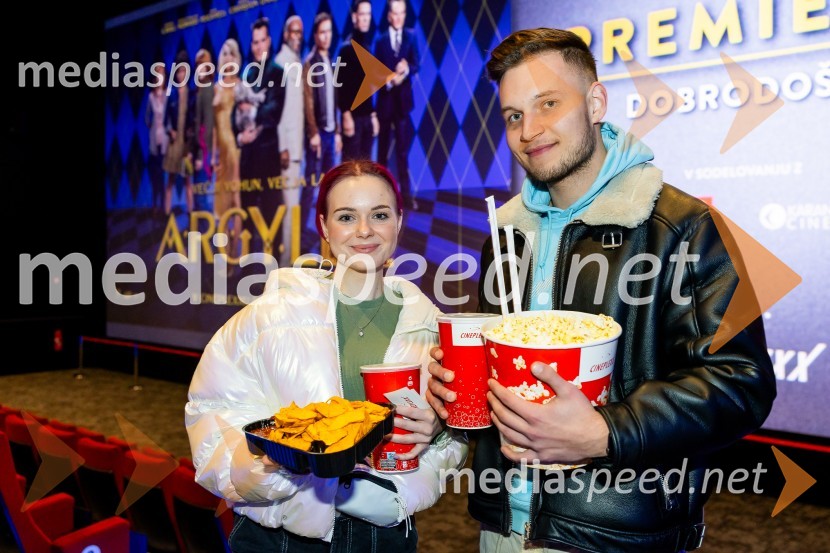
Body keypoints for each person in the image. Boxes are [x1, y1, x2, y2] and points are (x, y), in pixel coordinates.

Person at [426, 28, 777, 553]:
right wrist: (453, 393)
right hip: (500, 529)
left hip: (615, 536)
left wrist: (606, 432)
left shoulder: (681, 226)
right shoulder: (505, 236)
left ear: (595, 102)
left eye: (548, 104)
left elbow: (741, 383)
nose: (530, 130)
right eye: (514, 115)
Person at [185, 160, 468, 552]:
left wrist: (434, 435)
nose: (365, 230)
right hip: (280, 535)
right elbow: (211, 414)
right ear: (323, 227)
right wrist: (276, 464)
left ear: (399, 223)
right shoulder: (269, 317)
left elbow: (460, 431)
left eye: (380, 215)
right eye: (347, 216)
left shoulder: (434, 330)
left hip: (383, 535)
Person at [234, 17, 285, 256]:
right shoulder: (247, 73)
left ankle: (274, 270)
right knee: (246, 217)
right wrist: (240, 135)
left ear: (269, 41)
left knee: (270, 215)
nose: (258, 46)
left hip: (268, 159)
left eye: (262, 40)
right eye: (254, 42)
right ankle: (246, 270)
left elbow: (273, 110)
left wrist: (251, 110)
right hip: (247, 158)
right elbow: (236, 112)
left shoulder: (278, 72)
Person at [301, 12, 342, 256]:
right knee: (310, 187)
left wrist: (336, 131)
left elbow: (334, 101)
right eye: (322, 32)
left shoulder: (331, 61)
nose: (326, 36)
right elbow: (308, 101)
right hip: (317, 136)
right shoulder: (310, 62)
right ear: (316, 35)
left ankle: (325, 237)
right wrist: (313, 132)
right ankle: (302, 234)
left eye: (329, 31)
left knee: (329, 188)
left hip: (330, 133)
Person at [375, 0, 419, 210]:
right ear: (389, 16)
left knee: (402, 153)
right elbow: (374, 72)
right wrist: (389, 78)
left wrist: (406, 70)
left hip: (402, 105)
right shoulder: (380, 41)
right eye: (395, 13)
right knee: (382, 153)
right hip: (385, 103)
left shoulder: (411, 36)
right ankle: (380, 198)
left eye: (402, 13)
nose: (399, 17)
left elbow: (416, 64)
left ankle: (407, 197)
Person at [276, 15, 305, 268]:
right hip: (288, 150)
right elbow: (277, 111)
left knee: (291, 211)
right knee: (288, 211)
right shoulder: (281, 62)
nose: (297, 35)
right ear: (286, 34)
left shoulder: (296, 61)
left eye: (300, 32)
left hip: (298, 149)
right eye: (293, 31)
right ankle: (286, 266)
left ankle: (289, 263)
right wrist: (283, 146)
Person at [212, 39, 244, 260]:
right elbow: (214, 126)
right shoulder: (216, 87)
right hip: (221, 151)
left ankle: (236, 250)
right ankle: (223, 255)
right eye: (224, 53)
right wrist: (213, 154)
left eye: (232, 53)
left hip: (236, 149)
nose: (228, 57)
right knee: (221, 201)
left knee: (236, 199)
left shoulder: (242, 86)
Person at [338, 0, 379, 161]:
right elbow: (340, 86)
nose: (365, 18)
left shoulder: (367, 47)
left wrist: (373, 115)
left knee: (366, 167)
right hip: (353, 119)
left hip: (366, 118)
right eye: (362, 14)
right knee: (351, 169)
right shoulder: (346, 49)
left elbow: (367, 86)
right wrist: (346, 115)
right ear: (354, 17)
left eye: (368, 14)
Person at [163, 50, 196, 217]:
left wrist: (190, 145)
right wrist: (170, 130)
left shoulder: (191, 95)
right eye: (179, 71)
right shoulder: (172, 93)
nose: (181, 74)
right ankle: (166, 213)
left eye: (184, 70)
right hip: (173, 144)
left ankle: (191, 213)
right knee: (169, 180)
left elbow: (194, 121)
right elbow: (166, 118)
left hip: (186, 145)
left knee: (188, 181)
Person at [145, 62, 168, 216]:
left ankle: (162, 205)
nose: (160, 76)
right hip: (154, 139)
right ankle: (155, 203)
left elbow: (171, 115)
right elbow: (146, 117)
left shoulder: (167, 94)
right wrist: (152, 125)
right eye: (157, 74)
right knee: (155, 174)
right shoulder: (151, 96)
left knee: (162, 173)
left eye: (162, 73)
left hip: (165, 139)